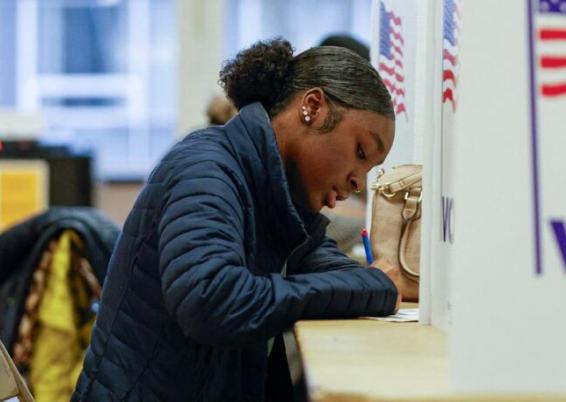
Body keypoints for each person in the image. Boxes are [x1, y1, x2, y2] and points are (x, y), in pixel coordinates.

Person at [71, 38, 401, 402]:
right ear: (313, 107)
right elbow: (209, 299)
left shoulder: (275, 195)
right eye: (360, 152)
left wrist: (375, 286)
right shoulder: (207, 168)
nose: (359, 181)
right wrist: (373, 287)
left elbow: (329, 267)